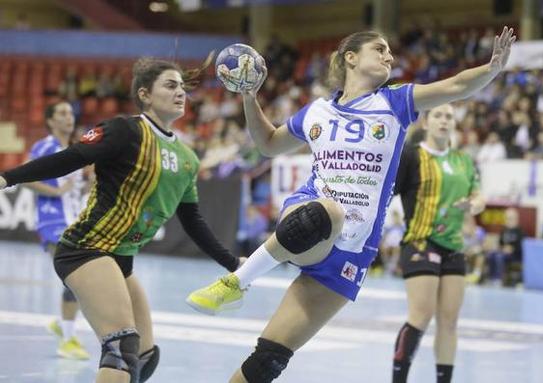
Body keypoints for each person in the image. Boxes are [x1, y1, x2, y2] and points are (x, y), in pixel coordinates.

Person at [187, 27, 515, 383]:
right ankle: (236, 282)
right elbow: (267, 143)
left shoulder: (394, 102)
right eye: (380, 49)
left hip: (354, 249)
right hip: (311, 216)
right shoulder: (317, 112)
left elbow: (453, 86)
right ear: (351, 57)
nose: (390, 56)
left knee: (268, 361)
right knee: (325, 213)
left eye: (390, 51)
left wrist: (491, 70)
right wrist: (250, 97)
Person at [0, 57, 243, 383]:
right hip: (86, 249)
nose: (180, 93)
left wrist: (232, 263)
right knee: (121, 345)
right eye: (170, 85)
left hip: (121, 260)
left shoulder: (188, 159)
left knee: (145, 354)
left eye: (183, 87)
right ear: (145, 94)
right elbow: (71, 158)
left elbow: (192, 220)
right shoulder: (124, 130)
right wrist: (6, 177)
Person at [391, 103, 485, 383]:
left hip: (454, 246)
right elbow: (388, 191)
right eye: (438, 115)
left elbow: (478, 196)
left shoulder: (464, 161)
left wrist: (474, 205)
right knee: (421, 315)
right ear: (426, 123)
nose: (444, 121)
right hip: (420, 241)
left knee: (449, 322)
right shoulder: (412, 156)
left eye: (449, 117)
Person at [26, 101, 91, 360]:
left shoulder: (72, 151)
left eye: (70, 113)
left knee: (77, 280)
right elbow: (25, 177)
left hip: (73, 221)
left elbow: (72, 191)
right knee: (75, 278)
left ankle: (62, 326)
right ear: (50, 121)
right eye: (62, 114)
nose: (69, 117)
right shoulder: (45, 147)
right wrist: (55, 192)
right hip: (52, 222)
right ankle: (66, 340)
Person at [487, 207, 524, 286]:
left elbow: (521, 247)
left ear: (516, 219)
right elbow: (500, 243)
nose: (508, 220)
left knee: (499, 257)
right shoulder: (504, 230)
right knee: (491, 255)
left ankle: (498, 279)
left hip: (514, 255)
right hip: (503, 252)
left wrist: (512, 248)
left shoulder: (520, 232)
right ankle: (491, 278)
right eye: (507, 218)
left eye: (510, 218)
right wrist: (502, 248)